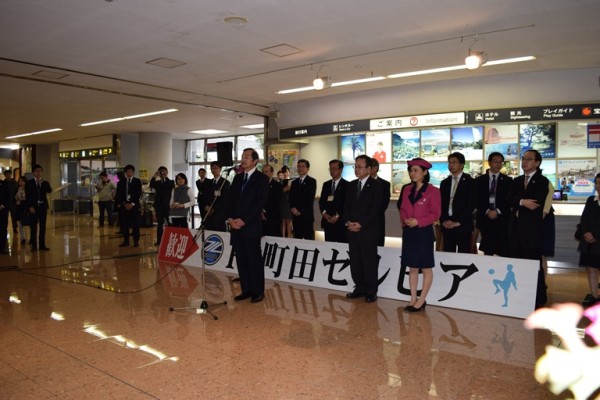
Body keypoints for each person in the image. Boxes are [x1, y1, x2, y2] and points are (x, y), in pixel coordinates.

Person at [506, 149, 549, 309]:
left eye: (529, 159)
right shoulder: (517, 180)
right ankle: (519, 296)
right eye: (523, 159)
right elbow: (508, 199)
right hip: (515, 229)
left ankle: (538, 296)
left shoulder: (542, 181)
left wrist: (518, 201)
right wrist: (523, 202)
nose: (524, 162)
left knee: (533, 264)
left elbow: (535, 203)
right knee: (517, 263)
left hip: (531, 231)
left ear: (537, 163)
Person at [226, 148, 269, 303]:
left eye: (247, 157)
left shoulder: (262, 179)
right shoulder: (237, 178)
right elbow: (230, 200)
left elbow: (259, 203)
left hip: (251, 226)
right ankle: (246, 290)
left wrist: (244, 220)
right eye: (242, 156)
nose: (243, 159)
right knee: (241, 260)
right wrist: (230, 219)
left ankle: (258, 291)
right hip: (235, 227)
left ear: (255, 161)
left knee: (254, 260)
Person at [399, 158, 441, 312]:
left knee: (426, 267)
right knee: (413, 267)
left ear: (425, 172)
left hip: (423, 232)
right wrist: (405, 220)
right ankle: (413, 299)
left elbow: (435, 214)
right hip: (409, 232)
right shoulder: (406, 190)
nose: (412, 173)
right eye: (411, 170)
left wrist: (418, 221)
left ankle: (422, 300)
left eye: (416, 170)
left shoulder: (433, 191)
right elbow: (402, 209)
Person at [344, 155, 382, 303]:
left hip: (368, 231)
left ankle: (371, 291)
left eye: (360, 167)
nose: (357, 169)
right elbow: (346, 206)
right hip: (352, 230)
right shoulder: (351, 185)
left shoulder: (376, 186)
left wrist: (361, 224)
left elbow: (375, 209)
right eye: (355, 166)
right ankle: (359, 288)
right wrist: (348, 222)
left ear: (368, 169)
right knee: (355, 261)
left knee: (369, 261)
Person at [474, 152, 512, 256]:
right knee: (488, 250)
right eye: (495, 161)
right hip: (485, 219)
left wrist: (497, 211)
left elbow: (508, 200)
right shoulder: (479, 180)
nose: (498, 164)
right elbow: (476, 199)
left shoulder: (508, 180)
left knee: (503, 249)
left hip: (502, 219)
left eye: (500, 162)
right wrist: (487, 211)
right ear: (489, 163)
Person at [439, 152, 476, 253]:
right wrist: (444, 220)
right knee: (448, 254)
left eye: (454, 162)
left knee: (463, 255)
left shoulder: (470, 182)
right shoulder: (444, 183)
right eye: (449, 162)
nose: (451, 165)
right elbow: (441, 204)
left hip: (463, 225)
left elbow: (471, 205)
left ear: (462, 165)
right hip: (447, 225)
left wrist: (458, 222)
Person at [578, 173, 600, 307]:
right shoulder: (591, 200)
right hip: (589, 241)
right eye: (596, 183)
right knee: (591, 268)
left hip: (598, 240)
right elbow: (584, 218)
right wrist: (586, 232)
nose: (598, 186)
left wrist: (595, 235)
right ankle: (595, 296)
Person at [319, 159, 348, 243]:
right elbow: (322, 201)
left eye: (334, 168)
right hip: (327, 221)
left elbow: (346, 204)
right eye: (330, 168)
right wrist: (324, 213)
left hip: (340, 222)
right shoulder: (326, 184)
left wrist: (337, 215)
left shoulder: (347, 185)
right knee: (328, 245)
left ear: (341, 170)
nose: (332, 171)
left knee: (341, 246)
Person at [25, 164, 52, 251]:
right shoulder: (29, 183)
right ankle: (34, 246)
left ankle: (42, 245)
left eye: (40, 171)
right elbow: (28, 196)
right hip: (33, 207)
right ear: (33, 173)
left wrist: (42, 183)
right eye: (36, 171)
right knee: (33, 227)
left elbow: (49, 190)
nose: (38, 173)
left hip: (42, 207)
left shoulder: (44, 182)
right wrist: (30, 207)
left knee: (42, 226)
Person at [115, 164, 143, 247]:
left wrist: (132, 204)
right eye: (127, 172)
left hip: (134, 206)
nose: (129, 173)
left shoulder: (137, 181)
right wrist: (124, 203)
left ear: (133, 172)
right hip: (124, 206)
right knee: (124, 224)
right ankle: (126, 241)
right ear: (125, 173)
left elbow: (138, 194)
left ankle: (136, 241)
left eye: (131, 171)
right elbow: (118, 195)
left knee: (135, 224)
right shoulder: (121, 182)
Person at [289, 159, 317, 240]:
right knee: (297, 240)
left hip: (306, 216)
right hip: (295, 217)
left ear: (308, 168)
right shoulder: (294, 182)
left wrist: (299, 210)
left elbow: (309, 198)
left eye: (303, 166)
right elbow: (291, 198)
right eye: (299, 166)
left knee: (309, 240)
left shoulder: (312, 181)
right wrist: (292, 208)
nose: (300, 168)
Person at [150, 166, 175, 245]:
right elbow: (151, 184)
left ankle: (171, 240)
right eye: (161, 172)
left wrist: (164, 177)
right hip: (159, 206)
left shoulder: (171, 182)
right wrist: (155, 176)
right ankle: (159, 241)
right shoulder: (157, 182)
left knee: (170, 223)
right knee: (159, 224)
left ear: (167, 172)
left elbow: (166, 185)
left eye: (164, 171)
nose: (162, 173)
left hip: (168, 206)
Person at [202, 161, 230, 232]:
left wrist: (213, 209)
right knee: (209, 233)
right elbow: (204, 196)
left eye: (215, 168)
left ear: (220, 169)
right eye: (212, 168)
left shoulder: (225, 183)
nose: (213, 170)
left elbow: (224, 198)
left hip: (219, 213)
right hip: (208, 213)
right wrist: (206, 206)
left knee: (219, 233)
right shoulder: (207, 182)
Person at [370, 159, 391, 247]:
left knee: (378, 244)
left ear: (375, 168)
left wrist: (370, 215)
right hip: (361, 221)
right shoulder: (359, 183)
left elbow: (384, 204)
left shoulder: (384, 184)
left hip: (377, 219)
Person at [261, 165, 283, 237]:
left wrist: (265, 212)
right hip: (261, 218)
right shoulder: (258, 185)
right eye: (263, 172)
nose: (264, 173)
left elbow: (276, 202)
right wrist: (261, 211)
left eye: (266, 171)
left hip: (273, 218)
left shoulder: (277, 186)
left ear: (271, 173)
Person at [279, 166, 293, 237]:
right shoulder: (280, 181)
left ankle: (289, 237)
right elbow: (279, 192)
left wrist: (286, 189)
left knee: (288, 221)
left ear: (289, 172)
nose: (285, 173)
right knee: (282, 221)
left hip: (288, 203)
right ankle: (283, 237)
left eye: (286, 172)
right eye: (284, 172)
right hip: (281, 203)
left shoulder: (291, 181)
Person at [3, 170, 18, 234]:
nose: (8, 175)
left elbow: (16, 191)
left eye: (9, 174)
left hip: (13, 202)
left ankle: (15, 228)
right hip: (5, 203)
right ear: (5, 175)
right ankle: (4, 228)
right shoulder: (3, 183)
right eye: (6, 174)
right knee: (4, 217)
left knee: (14, 216)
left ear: (11, 174)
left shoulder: (14, 182)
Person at [14, 177, 28, 245]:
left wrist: (21, 202)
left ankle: (32, 238)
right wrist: (16, 202)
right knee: (20, 224)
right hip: (19, 209)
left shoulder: (28, 189)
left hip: (26, 208)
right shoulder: (17, 189)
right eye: (20, 181)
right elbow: (14, 198)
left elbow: (29, 199)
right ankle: (23, 238)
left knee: (30, 224)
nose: (21, 182)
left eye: (22, 181)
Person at [0, 175, 9, 254]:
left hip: (2, 209)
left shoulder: (3, 184)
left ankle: (2, 247)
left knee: (3, 228)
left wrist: (2, 204)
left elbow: (7, 196)